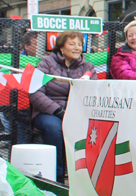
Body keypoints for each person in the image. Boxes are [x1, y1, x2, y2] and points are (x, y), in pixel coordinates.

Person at [29, 31, 97, 184]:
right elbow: (35, 92)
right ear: (61, 48)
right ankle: (57, 176)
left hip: (78, 112)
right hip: (49, 112)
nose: (77, 48)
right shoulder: (46, 63)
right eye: (72, 44)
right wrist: (58, 111)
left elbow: (95, 92)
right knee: (55, 128)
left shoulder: (88, 67)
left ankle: (83, 178)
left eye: (79, 44)